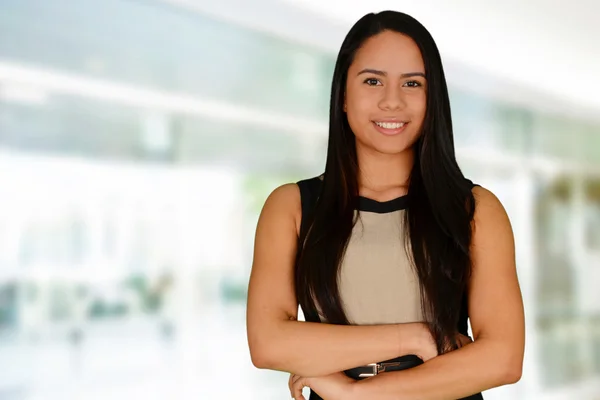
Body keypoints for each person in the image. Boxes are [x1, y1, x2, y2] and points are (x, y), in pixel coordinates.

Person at [246, 10, 525, 400]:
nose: (392, 101)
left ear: (433, 100)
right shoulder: (291, 207)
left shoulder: (475, 210)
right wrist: (416, 337)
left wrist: (355, 394)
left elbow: (504, 359)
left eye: (412, 83)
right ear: (343, 95)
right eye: (372, 81)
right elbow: (268, 343)